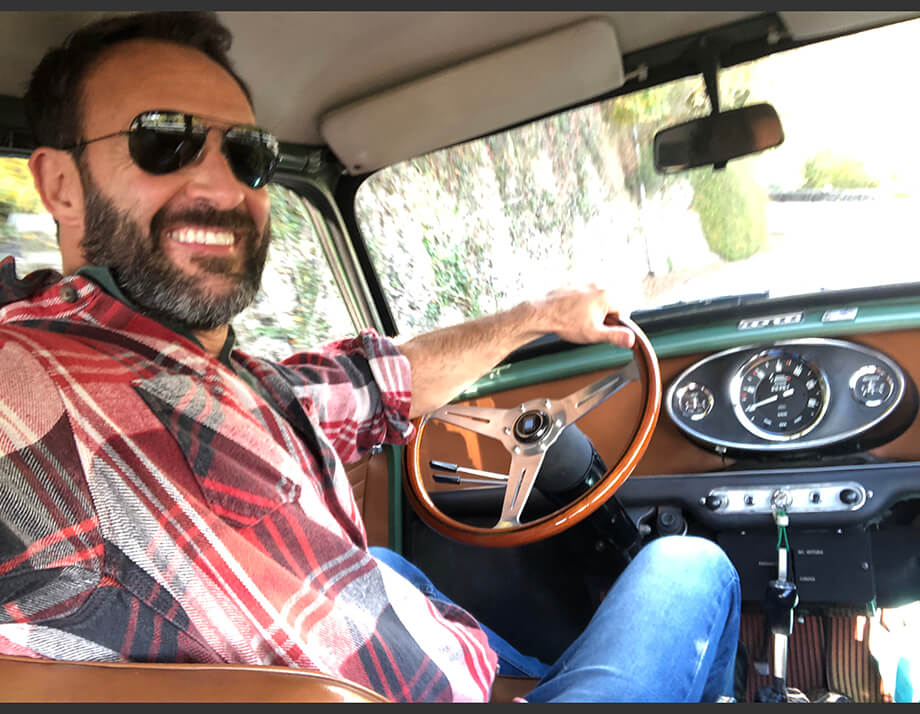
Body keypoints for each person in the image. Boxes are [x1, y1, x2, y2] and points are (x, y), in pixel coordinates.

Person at [0, 11, 740, 703]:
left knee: (390, 568)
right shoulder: (32, 378)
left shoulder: (241, 381)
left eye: (250, 154)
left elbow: (387, 382)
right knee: (688, 565)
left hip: (424, 673)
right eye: (164, 139)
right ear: (60, 185)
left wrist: (539, 317)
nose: (224, 185)